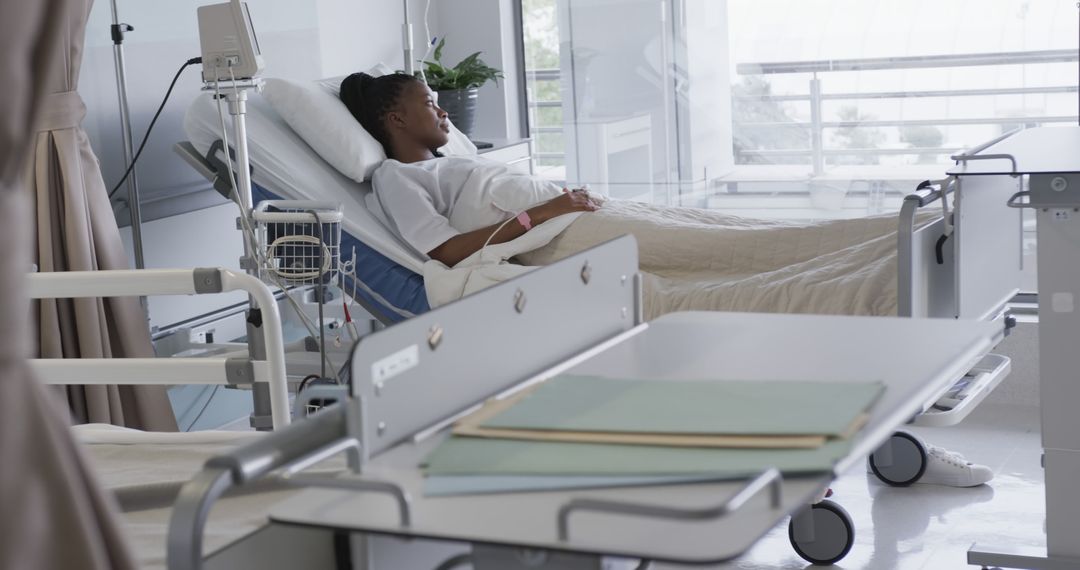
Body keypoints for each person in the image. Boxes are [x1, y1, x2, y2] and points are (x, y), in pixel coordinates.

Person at [338, 71, 995, 489]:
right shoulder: (397, 179)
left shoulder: (456, 158)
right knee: (745, 268)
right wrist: (554, 209)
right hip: (569, 235)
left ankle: (900, 240)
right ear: (394, 118)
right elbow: (446, 251)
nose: (444, 112)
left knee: (749, 242)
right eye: (428, 103)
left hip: (587, 218)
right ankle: (886, 282)